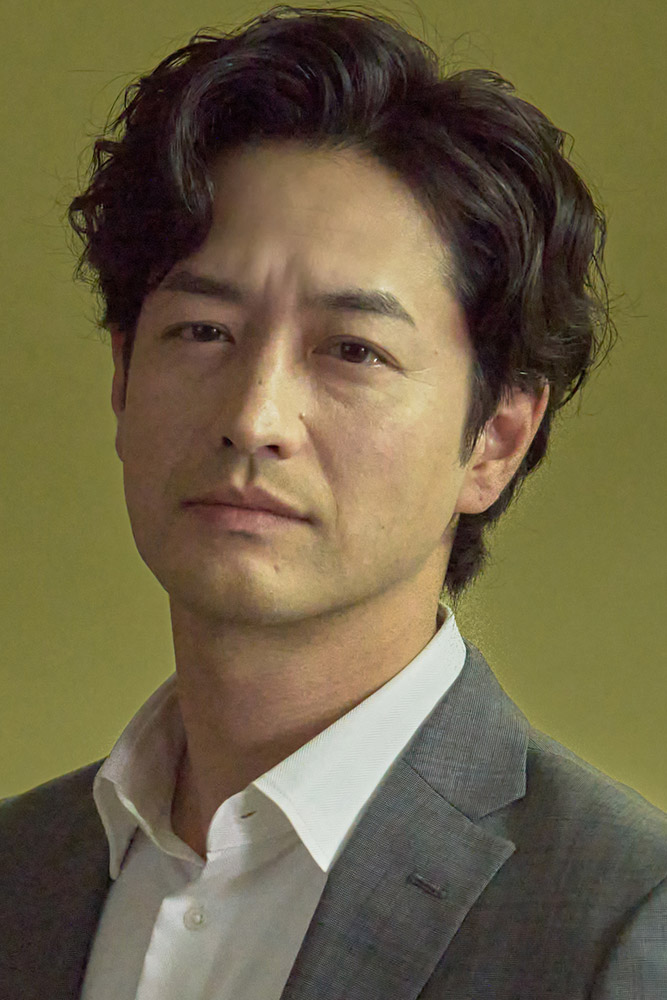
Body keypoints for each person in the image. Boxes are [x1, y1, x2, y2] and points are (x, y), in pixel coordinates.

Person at [2, 5, 665, 998]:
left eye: (353, 350)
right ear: (122, 376)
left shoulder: (621, 927)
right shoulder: (22, 871)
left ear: (496, 438)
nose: (254, 416)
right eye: (202, 331)